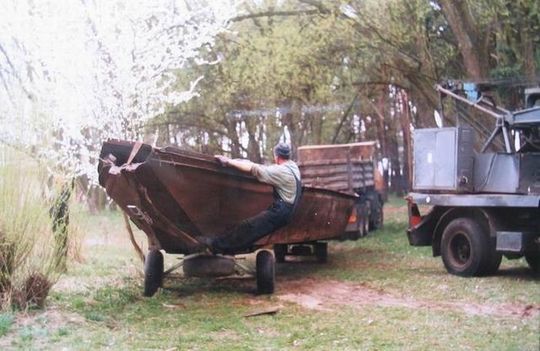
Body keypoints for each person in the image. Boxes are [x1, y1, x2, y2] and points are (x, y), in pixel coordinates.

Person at [199, 142, 302, 254]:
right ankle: (226, 249)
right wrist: (240, 162)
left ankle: (215, 246)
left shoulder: (281, 171)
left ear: (276, 156)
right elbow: (262, 167)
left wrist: (228, 162)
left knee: (248, 227)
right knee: (252, 231)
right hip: (287, 211)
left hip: (281, 211)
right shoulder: (293, 167)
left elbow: (254, 169)